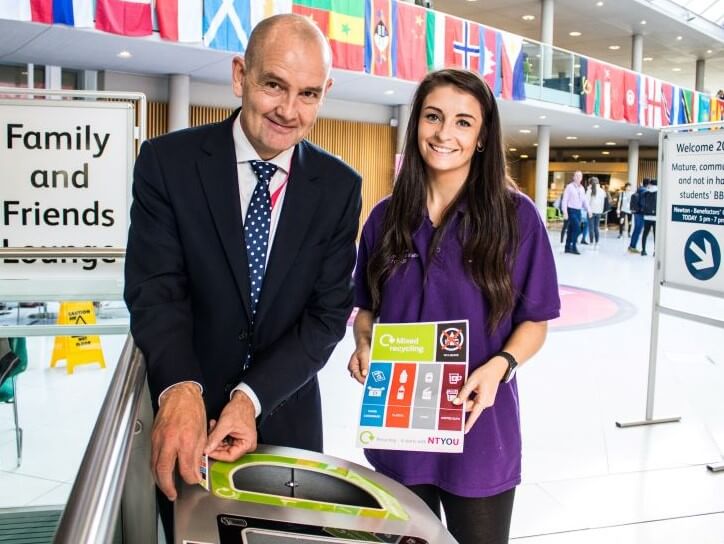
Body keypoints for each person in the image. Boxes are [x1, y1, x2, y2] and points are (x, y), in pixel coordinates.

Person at [124, 14, 362, 538]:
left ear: (326, 93)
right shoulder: (167, 163)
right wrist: (182, 389)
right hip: (188, 421)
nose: (288, 110)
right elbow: (156, 291)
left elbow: (326, 318)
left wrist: (250, 397)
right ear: (240, 76)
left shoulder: (339, 187)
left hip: (287, 418)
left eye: (308, 94)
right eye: (274, 85)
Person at [347, 69, 560, 544]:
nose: (445, 133)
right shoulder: (384, 218)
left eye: (464, 122)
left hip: (479, 426)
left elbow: (536, 320)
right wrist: (364, 344)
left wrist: (500, 366)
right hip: (400, 422)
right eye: (433, 117)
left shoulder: (517, 218)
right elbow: (366, 309)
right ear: (416, 125)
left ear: (483, 137)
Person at [561, 170, 591, 254]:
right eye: (576, 176)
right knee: (578, 228)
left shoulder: (582, 188)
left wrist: (589, 210)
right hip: (571, 210)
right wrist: (565, 212)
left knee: (571, 229)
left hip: (579, 211)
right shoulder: (569, 187)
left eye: (580, 176)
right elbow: (564, 200)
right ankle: (573, 246)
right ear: (573, 177)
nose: (578, 177)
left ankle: (567, 247)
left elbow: (585, 201)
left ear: (581, 178)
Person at [628, 178, 649, 254]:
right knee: (638, 230)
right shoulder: (645, 191)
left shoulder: (639, 189)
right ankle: (632, 247)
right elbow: (643, 203)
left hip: (636, 212)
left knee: (636, 229)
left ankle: (631, 246)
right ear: (648, 184)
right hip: (641, 213)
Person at [586, 176, 606, 247]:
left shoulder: (589, 191)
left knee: (591, 227)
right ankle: (597, 242)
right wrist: (601, 211)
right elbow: (603, 203)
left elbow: (587, 202)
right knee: (596, 227)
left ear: (590, 183)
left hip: (591, 212)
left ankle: (591, 242)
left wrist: (588, 211)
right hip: (599, 212)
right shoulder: (602, 191)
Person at [640, 179, 658, 256]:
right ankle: (655, 252)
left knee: (645, 233)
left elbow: (641, 203)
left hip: (646, 216)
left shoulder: (645, 193)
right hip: (656, 217)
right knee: (656, 235)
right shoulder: (659, 193)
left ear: (650, 184)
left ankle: (643, 250)